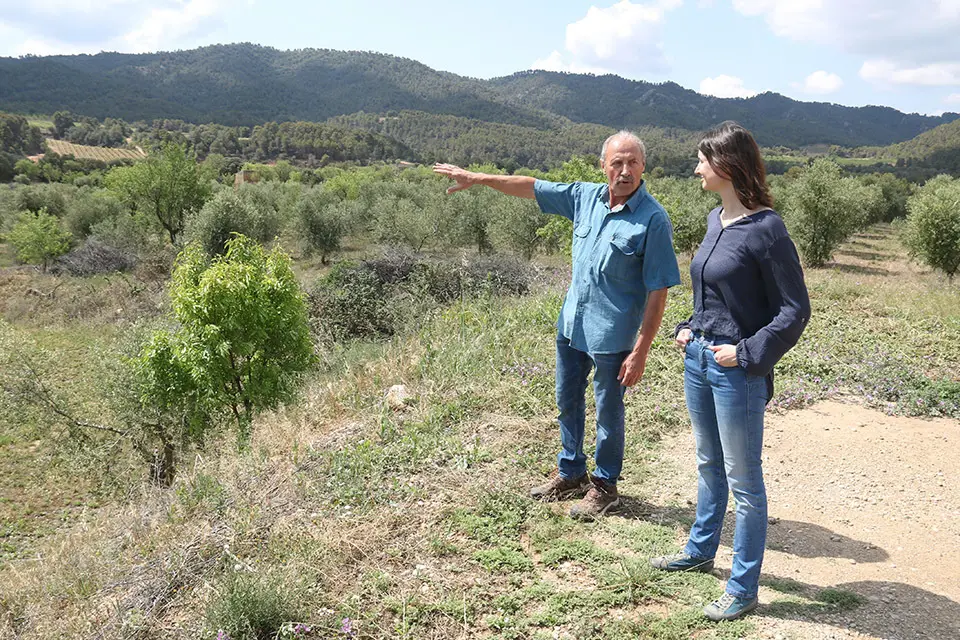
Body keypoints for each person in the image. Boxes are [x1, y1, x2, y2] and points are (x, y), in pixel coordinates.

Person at [434, 131, 681, 520]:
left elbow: (658, 290)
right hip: (572, 325)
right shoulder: (585, 197)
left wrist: (642, 349)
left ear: (643, 166)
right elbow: (531, 187)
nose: (625, 170)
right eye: (617, 162)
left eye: (632, 162)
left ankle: (604, 487)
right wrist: (477, 177)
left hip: (612, 336)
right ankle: (571, 473)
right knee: (567, 400)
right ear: (604, 166)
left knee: (607, 411)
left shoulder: (653, 219)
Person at [649, 121, 810, 621]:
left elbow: (794, 309)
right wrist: (687, 326)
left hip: (735, 370)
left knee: (745, 481)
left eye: (703, 160)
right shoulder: (717, 218)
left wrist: (744, 354)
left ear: (727, 166)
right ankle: (700, 551)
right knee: (706, 463)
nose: (696, 168)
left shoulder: (768, 229)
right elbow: (715, 294)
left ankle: (743, 588)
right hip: (698, 358)